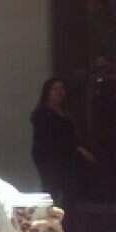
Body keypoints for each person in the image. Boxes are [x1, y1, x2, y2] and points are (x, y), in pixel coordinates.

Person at [30, 77, 94, 212]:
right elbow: (50, 138)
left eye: (61, 89)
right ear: (48, 92)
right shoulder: (43, 114)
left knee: (69, 192)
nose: (59, 92)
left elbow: (71, 135)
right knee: (53, 190)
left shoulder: (65, 113)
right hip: (50, 158)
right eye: (55, 89)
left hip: (67, 158)